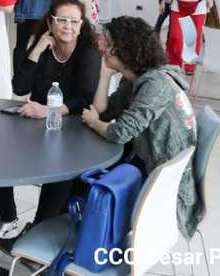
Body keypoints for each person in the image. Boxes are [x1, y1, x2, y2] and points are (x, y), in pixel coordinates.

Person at [0, 0, 100, 252]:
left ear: (81, 25)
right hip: (36, 125)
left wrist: (50, 110)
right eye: (62, 20)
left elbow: (84, 98)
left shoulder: (88, 52)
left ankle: (36, 234)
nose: (68, 26)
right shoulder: (41, 45)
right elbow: (19, 87)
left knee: (60, 165)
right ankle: (8, 217)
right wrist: (36, 51)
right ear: (50, 22)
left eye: (74, 21)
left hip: (73, 128)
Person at [81, 16, 200, 240]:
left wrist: (94, 122)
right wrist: (105, 76)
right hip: (149, 162)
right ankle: (88, 233)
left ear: (125, 49)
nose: (102, 48)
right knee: (88, 175)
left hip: (163, 180)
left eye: (108, 43)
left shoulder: (155, 84)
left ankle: (92, 237)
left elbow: (120, 132)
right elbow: (106, 112)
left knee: (85, 179)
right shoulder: (134, 77)